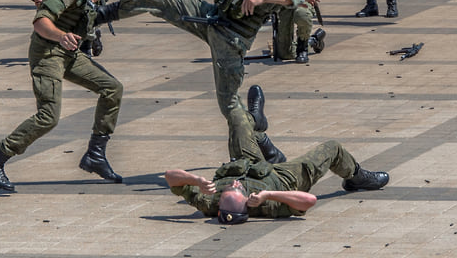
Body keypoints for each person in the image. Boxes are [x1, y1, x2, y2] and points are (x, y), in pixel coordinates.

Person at [96, 0, 303, 162]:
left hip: (231, 39)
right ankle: (101, 15)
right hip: (211, 17)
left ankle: (260, 148)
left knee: (230, 106)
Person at [0, 0, 125, 192]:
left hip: (69, 51)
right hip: (48, 52)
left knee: (112, 88)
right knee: (48, 117)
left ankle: (95, 156)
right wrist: (61, 35)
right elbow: (40, 22)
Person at [163, 85, 390, 224]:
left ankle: (258, 127)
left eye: (226, 189)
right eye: (236, 188)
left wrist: (195, 181)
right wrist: (269, 194)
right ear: (246, 203)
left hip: (246, 163)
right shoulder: (268, 207)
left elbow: (169, 176)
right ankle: (357, 177)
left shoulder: (207, 202)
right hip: (281, 178)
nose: (233, 183)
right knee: (332, 148)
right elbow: (308, 201)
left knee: (236, 118)